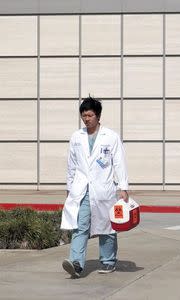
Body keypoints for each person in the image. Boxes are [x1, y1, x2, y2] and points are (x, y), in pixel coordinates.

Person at [60, 97, 129, 278]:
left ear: (98, 116)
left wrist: (123, 187)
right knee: (80, 226)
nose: (86, 119)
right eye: (84, 116)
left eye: (90, 115)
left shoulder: (111, 136)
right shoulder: (77, 137)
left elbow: (119, 162)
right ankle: (76, 263)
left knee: (107, 226)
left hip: (103, 189)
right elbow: (71, 165)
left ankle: (108, 261)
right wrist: (69, 187)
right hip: (82, 189)